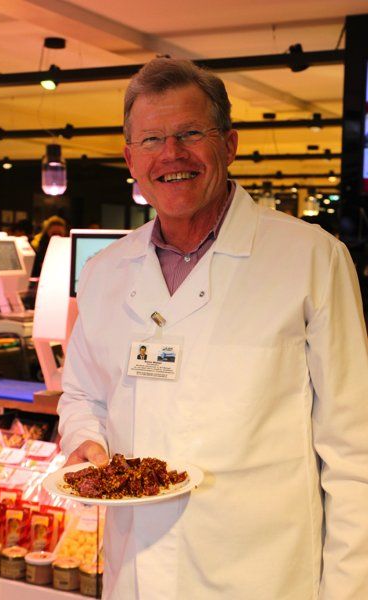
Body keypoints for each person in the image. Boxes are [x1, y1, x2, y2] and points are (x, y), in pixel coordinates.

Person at [58, 58, 368, 600]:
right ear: (131, 159)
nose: (171, 154)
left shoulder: (312, 260)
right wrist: (86, 439)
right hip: (134, 574)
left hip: (264, 581)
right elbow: (82, 393)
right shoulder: (105, 272)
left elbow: (354, 451)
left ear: (229, 144)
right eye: (151, 139)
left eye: (190, 134)